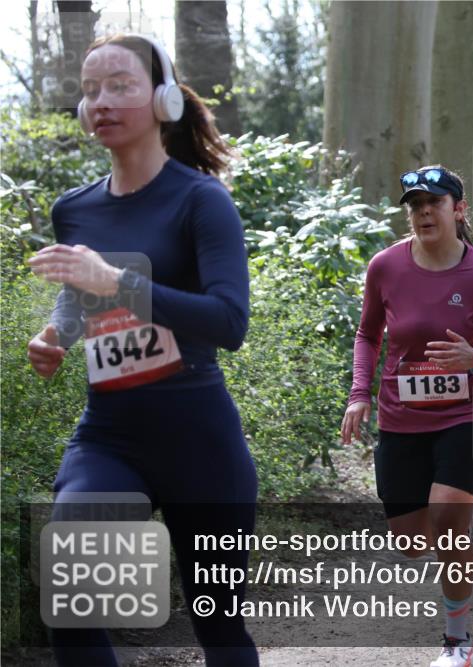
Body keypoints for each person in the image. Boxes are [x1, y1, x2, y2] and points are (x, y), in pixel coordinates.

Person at [26, 34, 258, 665]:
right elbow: (79, 295)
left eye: (120, 86)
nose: (101, 101)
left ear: (162, 100)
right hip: (110, 437)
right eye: (90, 90)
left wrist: (119, 282)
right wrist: (56, 335)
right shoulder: (74, 209)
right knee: (72, 593)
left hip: (200, 443)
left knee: (220, 627)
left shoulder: (202, 200)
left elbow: (229, 322)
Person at [341, 165, 473, 667]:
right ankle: (462, 548)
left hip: (466, 418)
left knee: (446, 518)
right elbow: (367, 335)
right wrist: (359, 394)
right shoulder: (385, 266)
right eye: (415, 205)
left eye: (434, 203)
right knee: (411, 543)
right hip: (401, 419)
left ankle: (457, 642)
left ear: (458, 210)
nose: (423, 212)